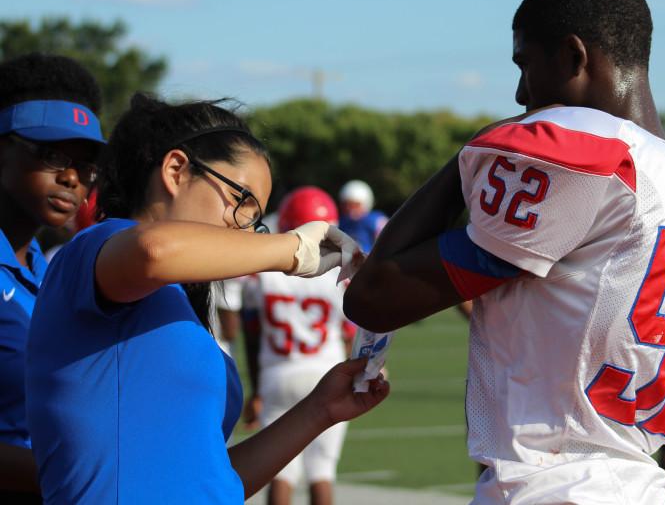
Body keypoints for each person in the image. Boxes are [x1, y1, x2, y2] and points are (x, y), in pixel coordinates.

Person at [344, 0, 665, 504]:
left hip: (543, 486)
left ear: (575, 57)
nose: (519, 92)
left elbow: (374, 297)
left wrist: (468, 157)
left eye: (525, 63)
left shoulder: (587, 162)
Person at [25, 94, 388, 504]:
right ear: (176, 170)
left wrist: (318, 410)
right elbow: (153, 252)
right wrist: (292, 250)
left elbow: (213, 481)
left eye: (256, 221)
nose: (246, 231)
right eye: (240, 202)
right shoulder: (93, 248)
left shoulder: (176, 303)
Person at [0, 53, 105, 502]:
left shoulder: (49, 271)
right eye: (51, 154)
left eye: (86, 166)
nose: (71, 177)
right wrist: (87, 477)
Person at [241, 186, 357, 505]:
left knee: (281, 472)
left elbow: (251, 334)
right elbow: (351, 331)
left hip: (278, 372)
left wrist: (257, 389)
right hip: (326, 369)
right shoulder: (340, 272)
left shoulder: (265, 273)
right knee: (322, 470)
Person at [338, 179, 387, 252]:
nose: (350, 209)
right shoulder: (343, 222)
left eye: (355, 205)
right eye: (346, 204)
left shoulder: (375, 220)